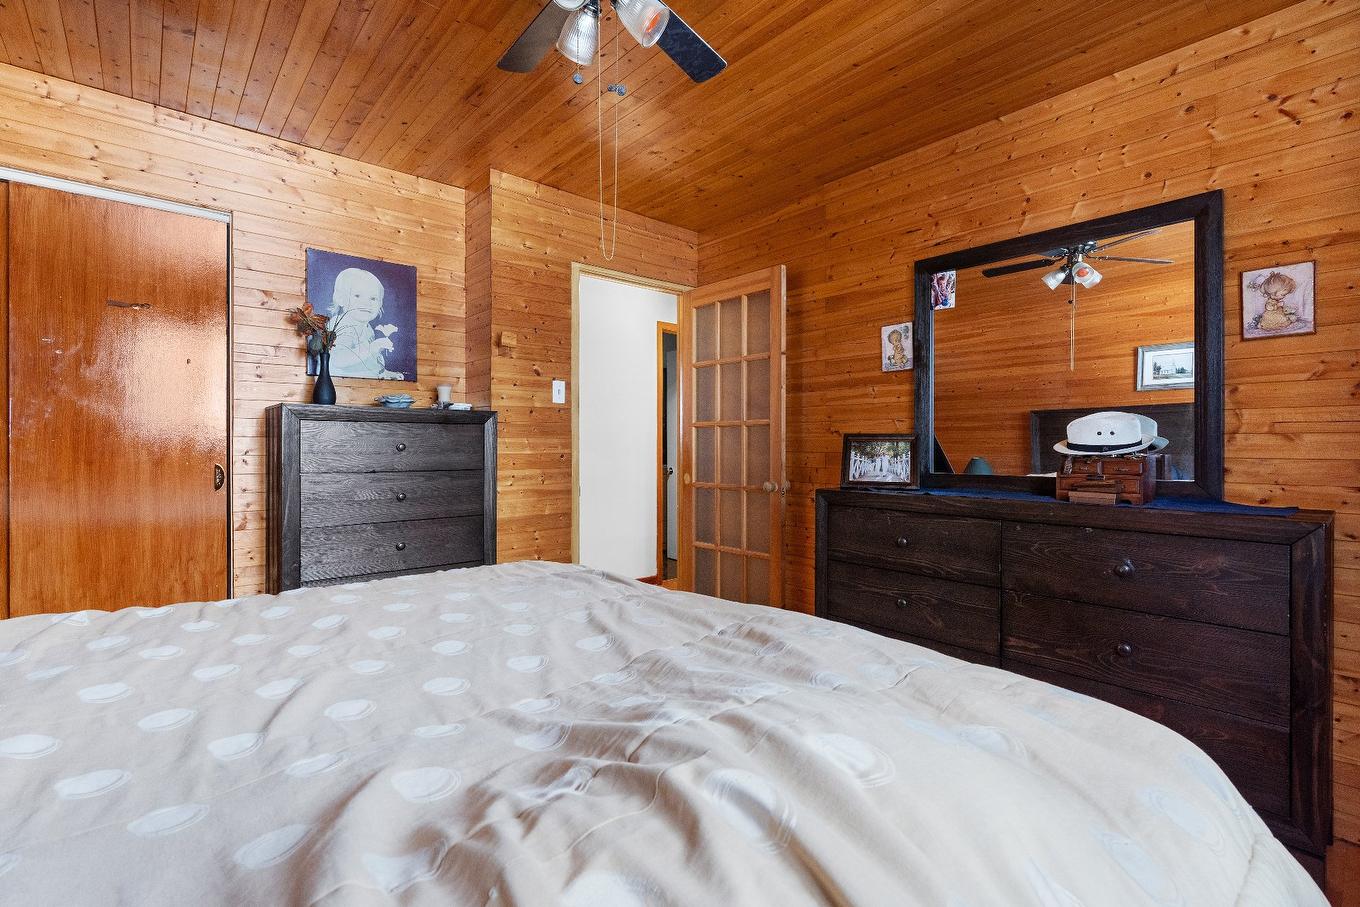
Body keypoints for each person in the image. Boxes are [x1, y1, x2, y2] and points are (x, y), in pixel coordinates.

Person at [327, 268, 405, 379]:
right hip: (346, 384)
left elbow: (368, 363)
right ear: (341, 299)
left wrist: (385, 373)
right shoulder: (342, 325)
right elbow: (338, 360)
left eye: (373, 298)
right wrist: (372, 347)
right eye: (357, 296)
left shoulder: (366, 327)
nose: (366, 303)